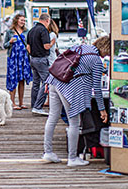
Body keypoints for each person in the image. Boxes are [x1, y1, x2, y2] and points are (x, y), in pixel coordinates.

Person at [41, 36, 110, 167]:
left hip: (55, 81)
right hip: (69, 87)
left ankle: (48, 152)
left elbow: (60, 61)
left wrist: (48, 80)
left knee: (52, 117)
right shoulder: (96, 61)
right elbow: (97, 87)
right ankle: (72, 158)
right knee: (74, 123)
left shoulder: (80, 47)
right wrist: (102, 109)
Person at [3, 14, 32, 110]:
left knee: (22, 80)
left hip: (23, 59)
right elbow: (4, 45)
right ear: (16, 21)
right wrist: (10, 42)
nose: (23, 22)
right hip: (13, 58)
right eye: (21, 20)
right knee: (13, 80)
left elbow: (29, 43)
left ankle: (21, 102)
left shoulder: (27, 32)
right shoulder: (10, 32)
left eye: (24, 20)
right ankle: (12, 103)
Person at [26, 13, 52, 112]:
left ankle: (34, 104)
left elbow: (28, 47)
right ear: (47, 20)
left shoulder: (31, 30)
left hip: (33, 59)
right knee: (47, 82)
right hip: (41, 59)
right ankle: (38, 106)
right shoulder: (43, 30)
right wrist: (52, 43)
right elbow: (46, 46)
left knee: (36, 83)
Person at [33, 19, 60, 114]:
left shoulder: (51, 35)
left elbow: (46, 45)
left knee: (42, 82)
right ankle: (38, 105)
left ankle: (37, 104)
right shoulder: (52, 35)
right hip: (48, 60)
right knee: (47, 82)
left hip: (49, 60)